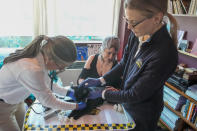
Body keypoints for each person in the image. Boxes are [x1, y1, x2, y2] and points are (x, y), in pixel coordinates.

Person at [78, 0, 178, 130]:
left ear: (156, 18)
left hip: (142, 115)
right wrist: (100, 80)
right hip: (127, 105)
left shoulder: (164, 53)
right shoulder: (137, 34)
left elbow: (134, 94)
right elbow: (124, 63)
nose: (129, 27)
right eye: (127, 20)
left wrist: (102, 92)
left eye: (133, 22)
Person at [0, 35, 86, 131]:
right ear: (51, 59)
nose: (60, 69)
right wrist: (76, 106)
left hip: (16, 101)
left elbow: (48, 83)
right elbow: (48, 101)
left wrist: (68, 93)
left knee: (24, 128)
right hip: (2, 106)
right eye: (61, 66)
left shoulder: (41, 57)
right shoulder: (31, 69)